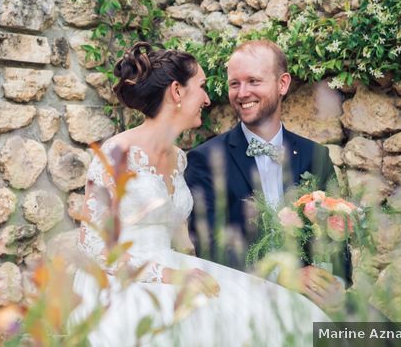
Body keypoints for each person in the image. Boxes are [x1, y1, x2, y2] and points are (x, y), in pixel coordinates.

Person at [71, 42, 328, 347]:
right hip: (119, 280)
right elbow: (93, 244)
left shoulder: (179, 158)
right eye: (202, 87)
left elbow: (179, 236)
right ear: (177, 92)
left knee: (286, 311)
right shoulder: (116, 153)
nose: (207, 100)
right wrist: (168, 275)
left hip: (173, 264)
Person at [184, 40, 351, 312]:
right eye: (234, 83)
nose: (242, 92)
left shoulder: (315, 155)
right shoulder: (205, 159)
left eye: (253, 81)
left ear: (282, 84)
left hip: (315, 298)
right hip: (244, 297)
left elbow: (337, 231)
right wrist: (282, 276)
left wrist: (334, 282)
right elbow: (210, 247)